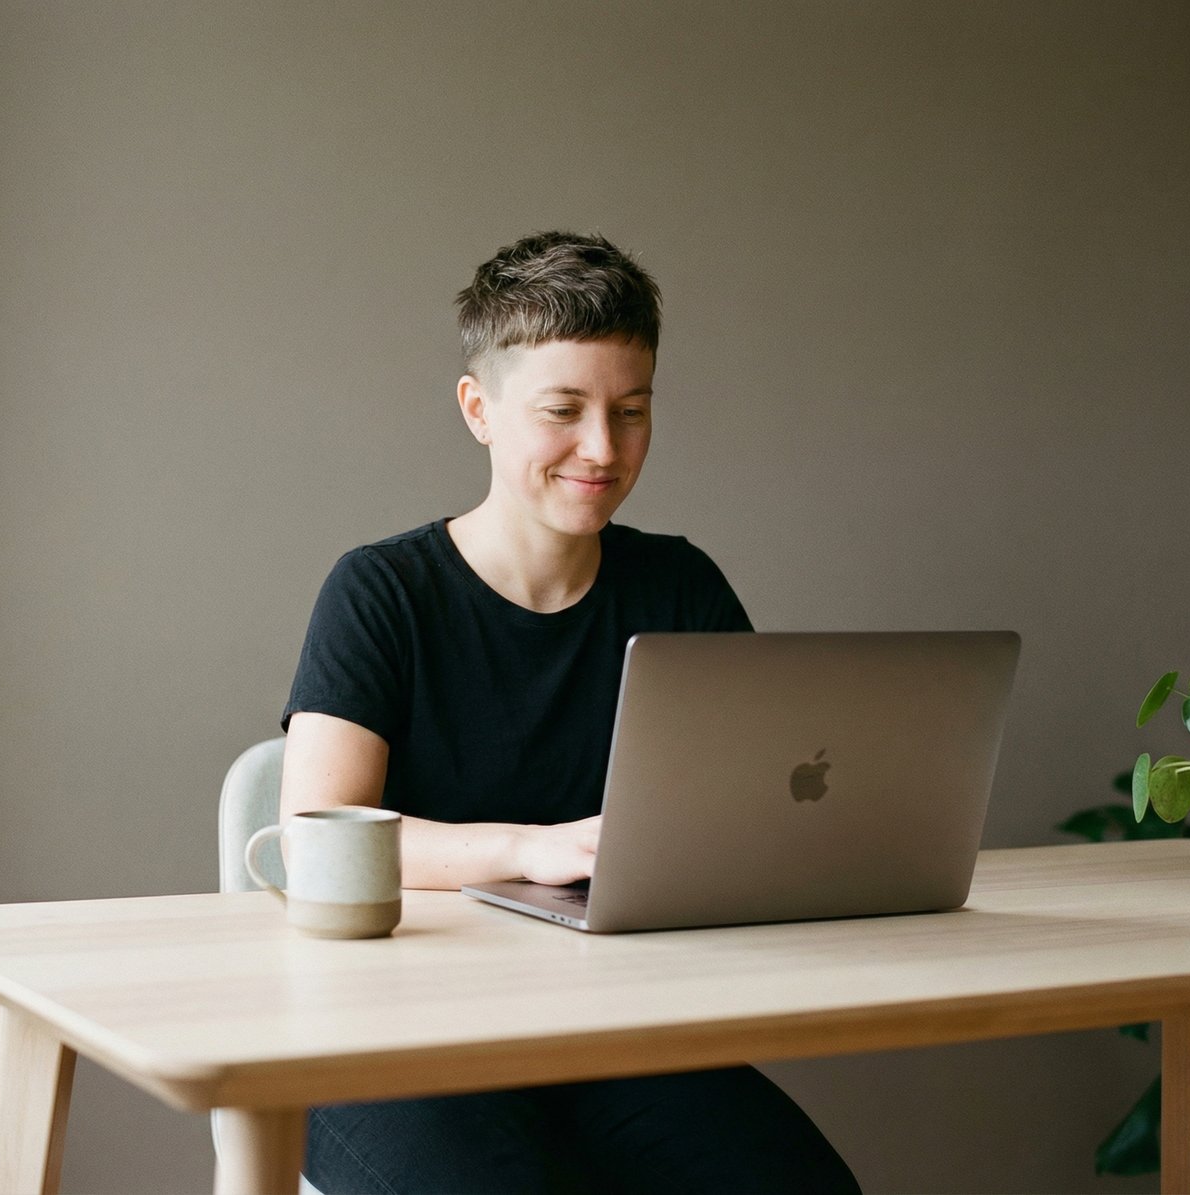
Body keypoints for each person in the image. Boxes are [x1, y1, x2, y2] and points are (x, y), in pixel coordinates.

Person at [280, 231, 860, 1194]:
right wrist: (530, 847)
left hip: (615, 1037)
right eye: (565, 410)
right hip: (385, 1047)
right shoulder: (381, 590)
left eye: (631, 412)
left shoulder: (680, 586)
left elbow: (761, 805)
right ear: (480, 409)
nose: (604, 448)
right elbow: (310, 842)